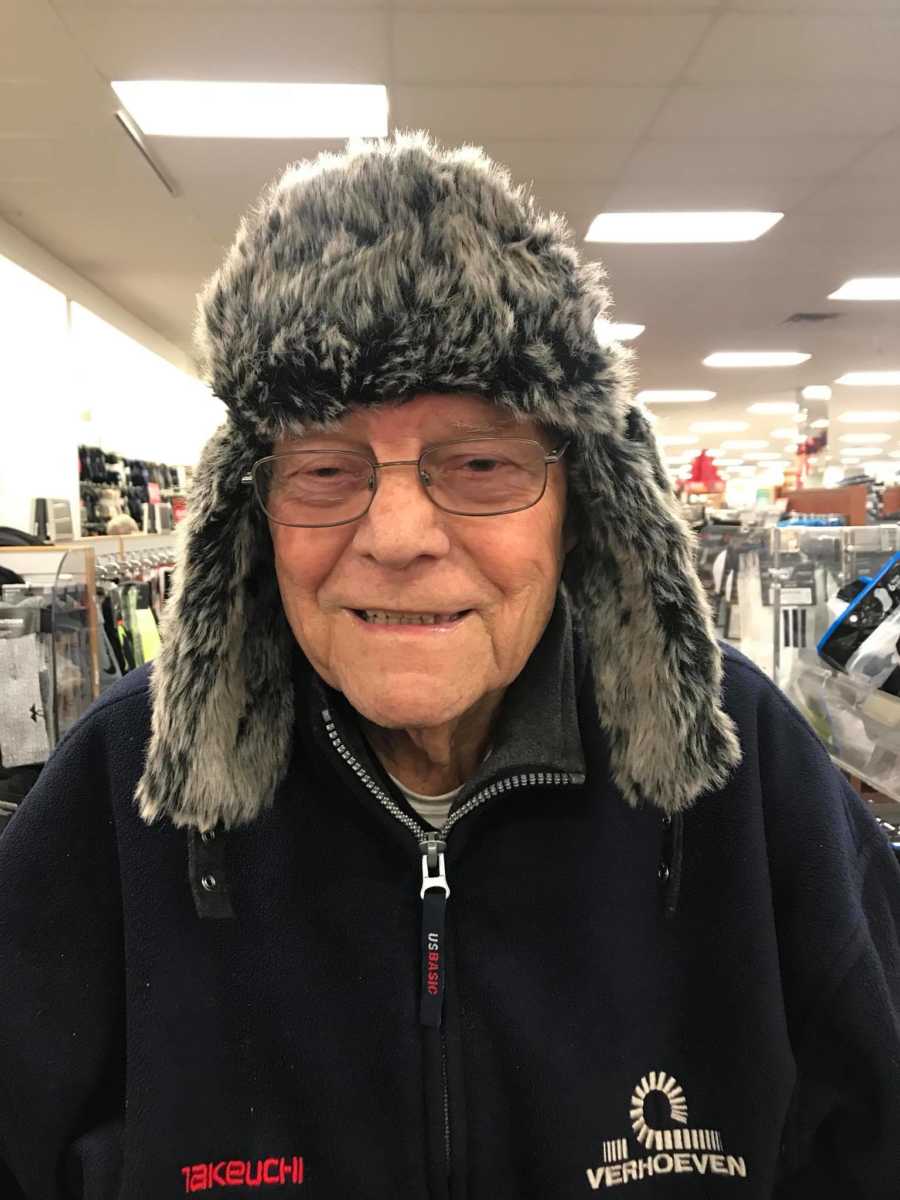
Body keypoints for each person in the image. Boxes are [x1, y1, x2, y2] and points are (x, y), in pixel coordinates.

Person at [0, 133, 898, 1200]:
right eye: (326, 467)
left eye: (479, 464)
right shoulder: (119, 791)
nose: (395, 534)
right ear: (255, 513)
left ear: (583, 507)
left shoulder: (744, 770)